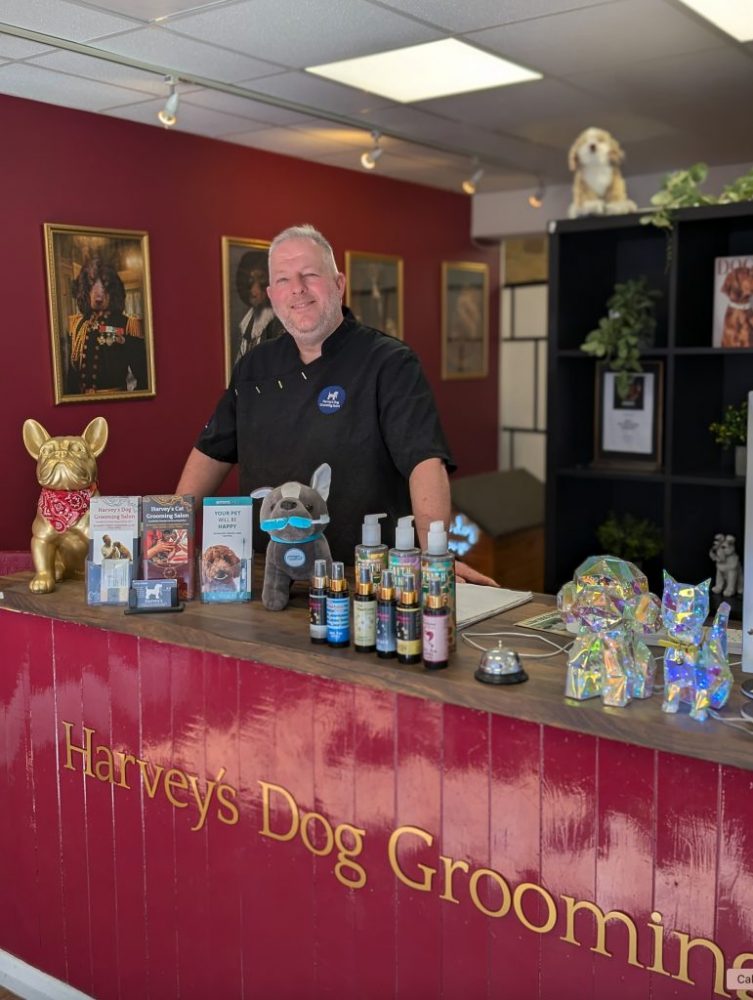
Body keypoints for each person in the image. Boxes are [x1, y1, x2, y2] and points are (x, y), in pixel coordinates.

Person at [177, 224, 495, 584]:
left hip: (366, 576)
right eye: (283, 280)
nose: (296, 288)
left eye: (309, 275)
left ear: (338, 284)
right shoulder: (254, 366)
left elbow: (424, 461)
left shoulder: (388, 362)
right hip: (269, 574)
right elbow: (211, 451)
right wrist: (171, 528)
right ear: (271, 294)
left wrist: (436, 557)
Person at [66, 257, 147, 395]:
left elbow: (144, 378)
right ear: (85, 288)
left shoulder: (127, 325)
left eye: (105, 284)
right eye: (92, 284)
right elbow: (71, 377)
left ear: (112, 289)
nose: (98, 295)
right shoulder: (77, 324)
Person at [234, 252, 285, 363]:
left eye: (261, 281)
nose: (254, 291)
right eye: (250, 281)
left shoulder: (282, 322)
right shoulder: (247, 323)